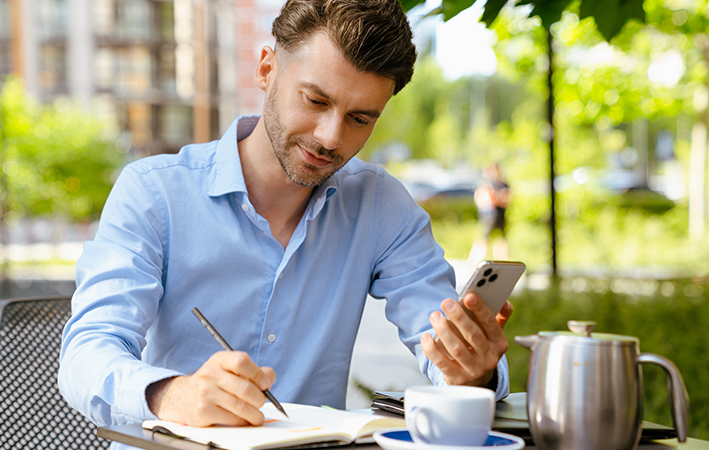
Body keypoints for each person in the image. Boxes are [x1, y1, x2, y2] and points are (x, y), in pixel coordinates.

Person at [59, 0, 513, 443]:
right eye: (315, 100)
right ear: (265, 70)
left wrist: (474, 371)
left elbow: (442, 338)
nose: (330, 137)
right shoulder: (154, 192)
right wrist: (173, 394)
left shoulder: (381, 206)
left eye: (359, 118)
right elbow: (87, 354)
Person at [469, 163, 510, 262]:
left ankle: (501, 261)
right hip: (488, 216)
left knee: (501, 239)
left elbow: (507, 199)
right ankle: (475, 261)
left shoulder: (503, 185)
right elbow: (480, 199)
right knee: (483, 238)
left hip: (500, 215)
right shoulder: (486, 184)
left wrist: (495, 196)